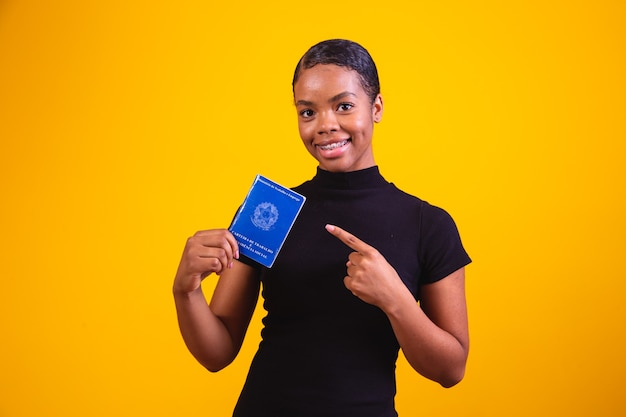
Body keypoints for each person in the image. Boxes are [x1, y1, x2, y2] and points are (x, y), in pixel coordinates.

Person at [173, 39, 471, 417]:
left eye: (344, 106)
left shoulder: (427, 224)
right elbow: (217, 352)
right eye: (307, 112)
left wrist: (395, 300)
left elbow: (450, 369)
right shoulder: (270, 211)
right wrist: (186, 290)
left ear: (376, 107)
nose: (326, 125)